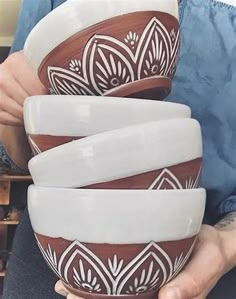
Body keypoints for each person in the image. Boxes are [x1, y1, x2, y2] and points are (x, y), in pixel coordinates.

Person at [1, 0, 236, 298]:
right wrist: (11, 107)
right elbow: (23, 156)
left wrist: (226, 245)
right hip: (63, 228)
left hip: (213, 238)